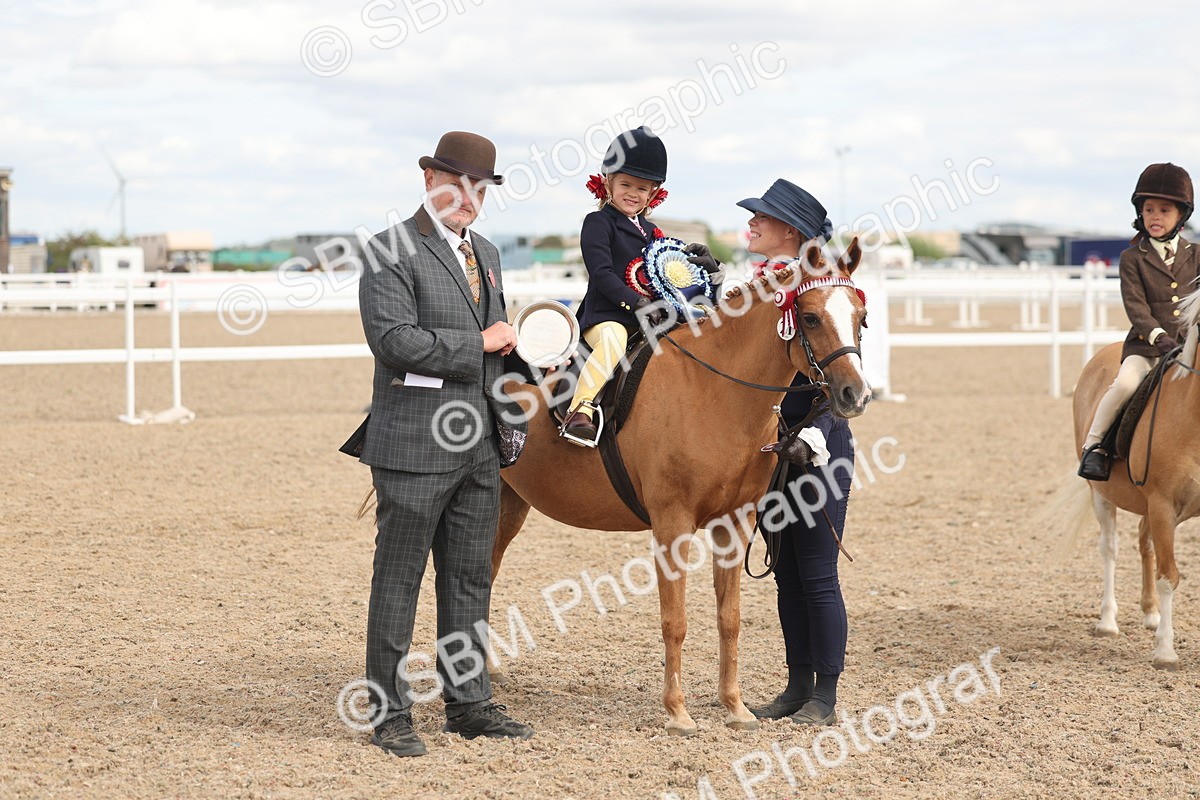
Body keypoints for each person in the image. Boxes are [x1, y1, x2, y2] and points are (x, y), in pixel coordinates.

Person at [347, 131, 533, 757]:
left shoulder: (485, 252)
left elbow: (496, 340)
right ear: (429, 178)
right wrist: (479, 345)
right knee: (398, 581)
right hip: (413, 443)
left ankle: (469, 701)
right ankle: (389, 712)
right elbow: (394, 341)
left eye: (481, 189)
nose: (470, 198)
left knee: (468, 580)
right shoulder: (389, 249)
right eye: (460, 184)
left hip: (480, 442)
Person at [739, 179, 854, 727]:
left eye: (763, 217)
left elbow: (847, 376)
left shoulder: (825, 290)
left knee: (816, 571)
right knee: (784, 570)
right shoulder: (759, 288)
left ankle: (825, 694)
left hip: (817, 443)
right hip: (768, 447)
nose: (753, 224)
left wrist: (819, 429)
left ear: (791, 232)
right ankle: (795, 685)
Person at [560, 126, 722, 445]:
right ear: (608, 182)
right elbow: (602, 273)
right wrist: (635, 303)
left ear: (653, 192)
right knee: (613, 343)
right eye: (625, 184)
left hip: (651, 318)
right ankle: (581, 410)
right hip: (608, 315)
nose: (633, 193)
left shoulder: (654, 233)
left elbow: (668, 279)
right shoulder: (598, 224)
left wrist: (702, 271)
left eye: (642, 188)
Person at [1079, 163, 1198, 480]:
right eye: (1149, 210)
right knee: (1125, 385)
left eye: (1164, 210)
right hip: (1148, 347)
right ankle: (1095, 448)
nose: (1155, 217)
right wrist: (1158, 336)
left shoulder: (1197, 255)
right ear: (1140, 213)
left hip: (1189, 347)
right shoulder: (1132, 258)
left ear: (1180, 216)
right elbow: (1135, 306)